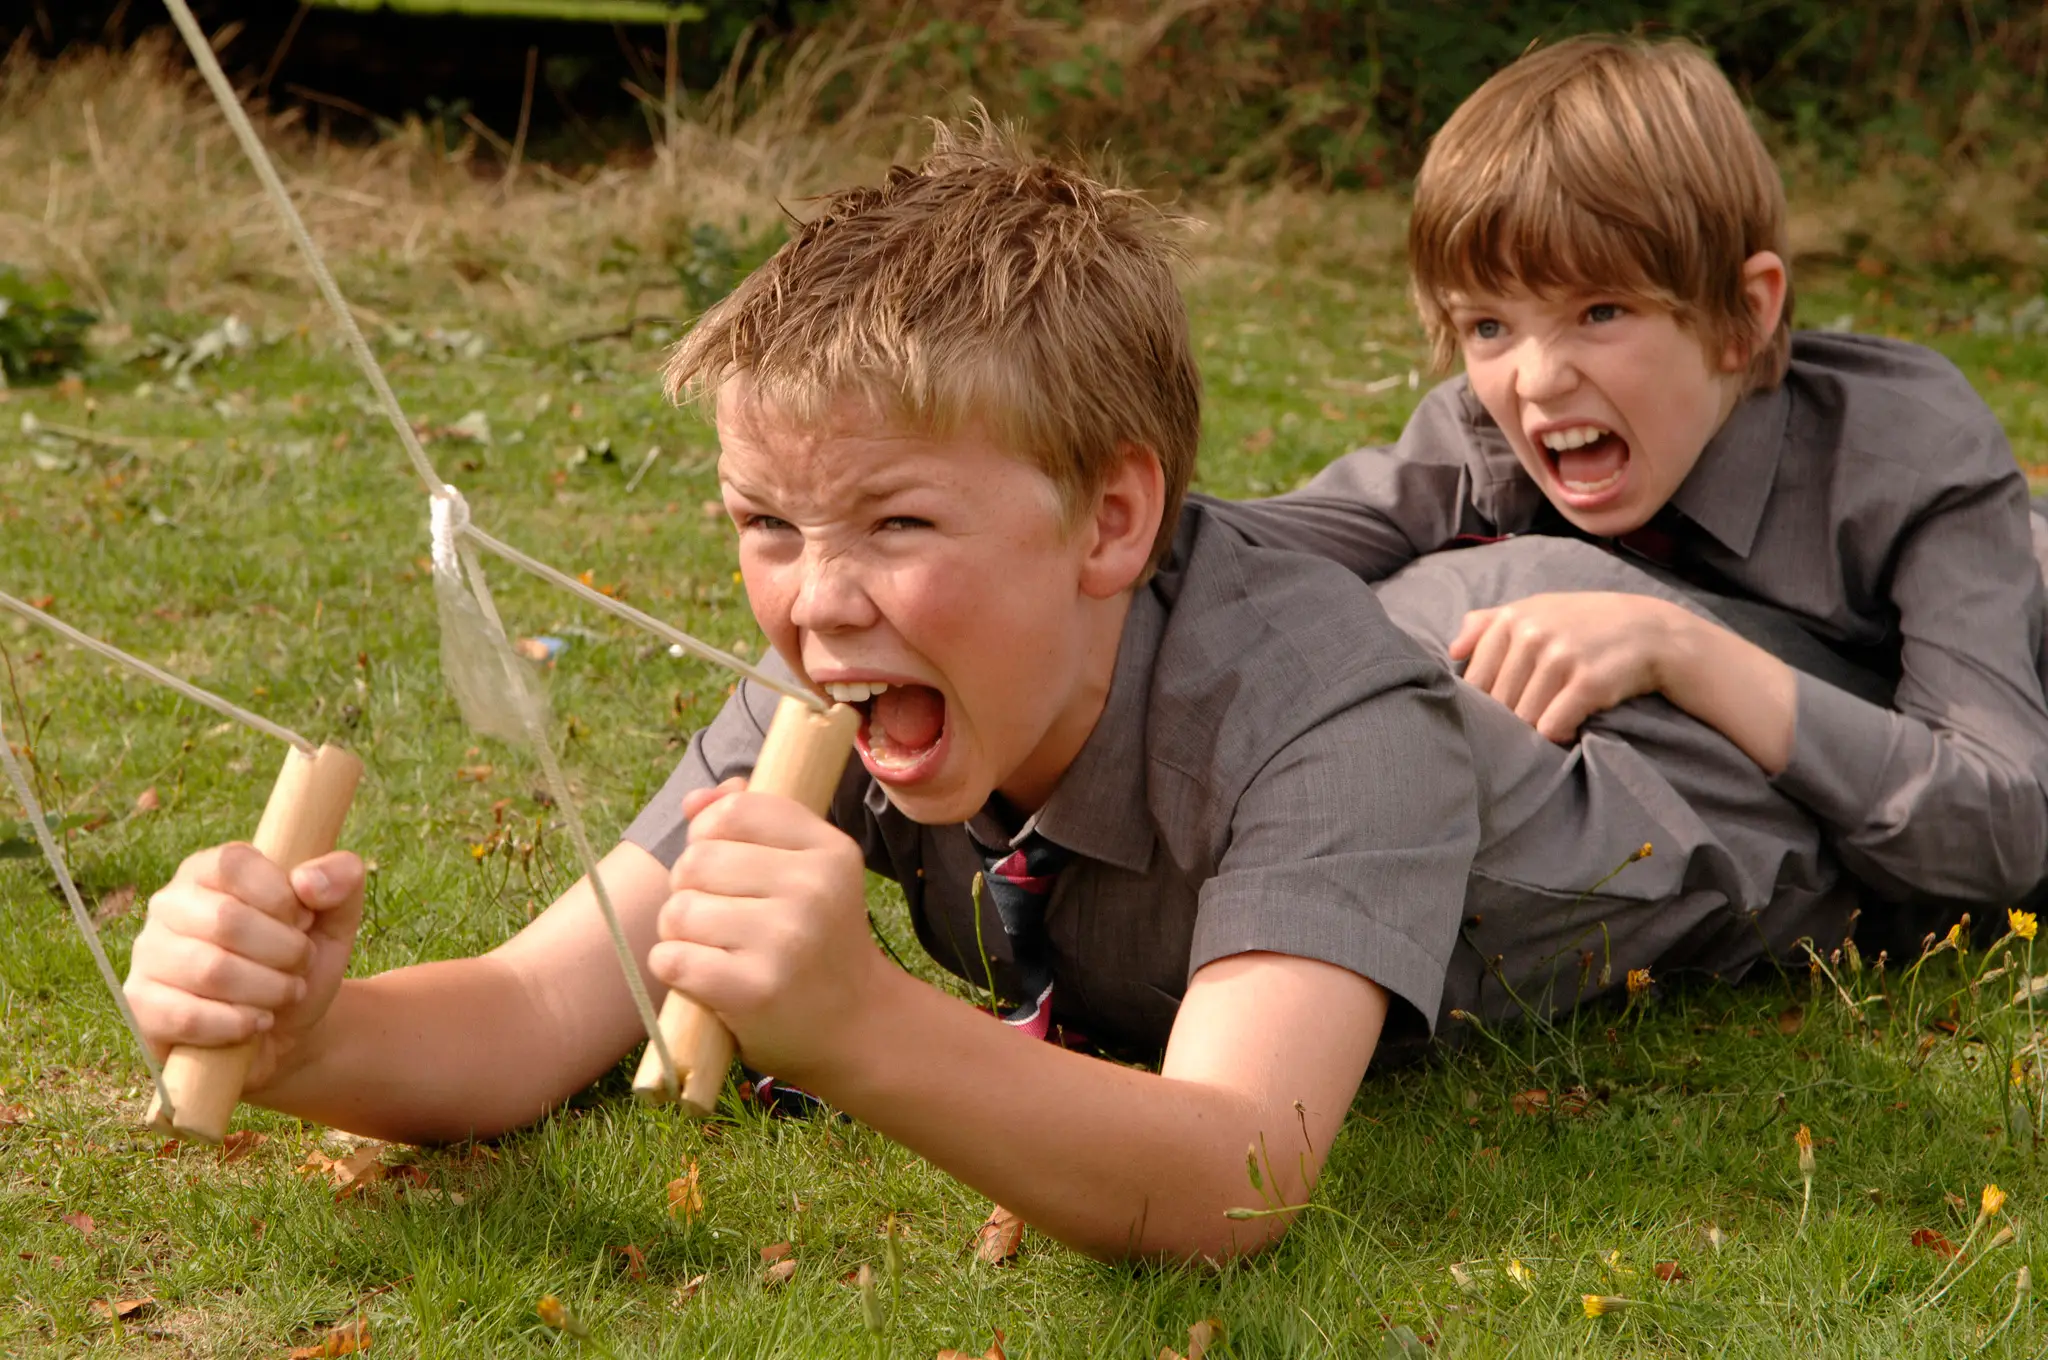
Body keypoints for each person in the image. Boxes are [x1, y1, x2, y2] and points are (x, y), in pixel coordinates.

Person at [123, 122, 1849, 1264]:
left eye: (893, 523)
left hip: (1698, 806)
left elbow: (1236, 1169)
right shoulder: (848, 684)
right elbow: (524, 1015)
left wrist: (861, 1024)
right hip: (1453, 644)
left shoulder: (1327, 715)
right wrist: (296, 1033)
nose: (813, 600)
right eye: (765, 525)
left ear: (1107, 514)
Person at [1214, 35, 2048, 915]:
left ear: (1745, 316)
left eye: (1599, 311)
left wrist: (1677, 650)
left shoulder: (1911, 461)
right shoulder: (1485, 435)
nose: (1536, 381)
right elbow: (1236, 546)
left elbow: (2005, 830)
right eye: (1489, 326)